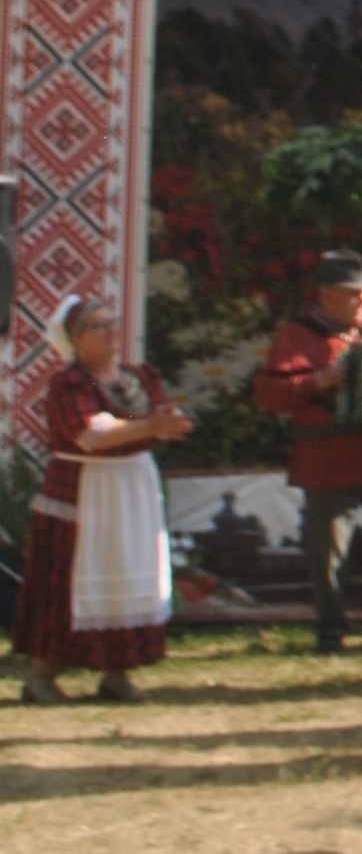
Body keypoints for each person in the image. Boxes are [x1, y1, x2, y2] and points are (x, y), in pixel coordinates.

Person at [13, 296, 193, 704]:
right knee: (69, 580)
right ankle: (42, 675)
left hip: (132, 486)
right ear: (74, 340)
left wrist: (170, 423)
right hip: (83, 489)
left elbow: (158, 417)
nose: (111, 331)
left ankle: (117, 672)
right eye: (98, 326)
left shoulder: (137, 376)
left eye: (112, 322)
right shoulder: (68, 384)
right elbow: (91, 436)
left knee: (126, 568)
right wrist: (151, 426)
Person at [254, 250, 362, 654]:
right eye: (352, 293)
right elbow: (269, 394)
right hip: (327, 457)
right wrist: (320, 380)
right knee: (330, 551)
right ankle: (331, 631)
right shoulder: (296, 335)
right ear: (325, 295)